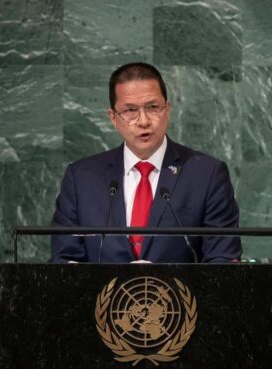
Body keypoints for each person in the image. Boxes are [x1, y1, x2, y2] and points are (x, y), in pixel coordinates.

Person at [50, 62, 241, 263]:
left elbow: (223, 259)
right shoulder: (81, 178)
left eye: (152, 107)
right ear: (113, 118)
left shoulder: (206, 174)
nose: (143, 121)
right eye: (130, 110)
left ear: (167, 109)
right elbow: (64, 259)